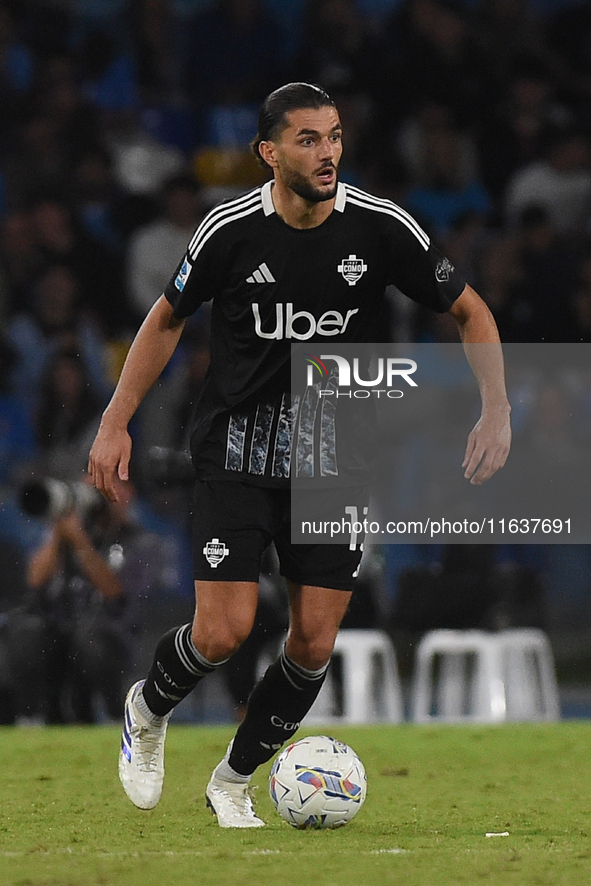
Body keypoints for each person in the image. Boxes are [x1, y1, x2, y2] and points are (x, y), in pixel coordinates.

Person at [88, 82, 511, 827]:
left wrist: (496, 409)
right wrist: (114, 421)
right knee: (223, 631)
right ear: (269, 152)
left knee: (312, 642)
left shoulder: (379, 226)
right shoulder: (228, 229)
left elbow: (470, 310)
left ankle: (232, 780)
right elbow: (164, 320)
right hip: (236, 453)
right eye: (309, 140)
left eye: (336, 137)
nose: (328, 154)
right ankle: (147, 711)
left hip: (333, 457)